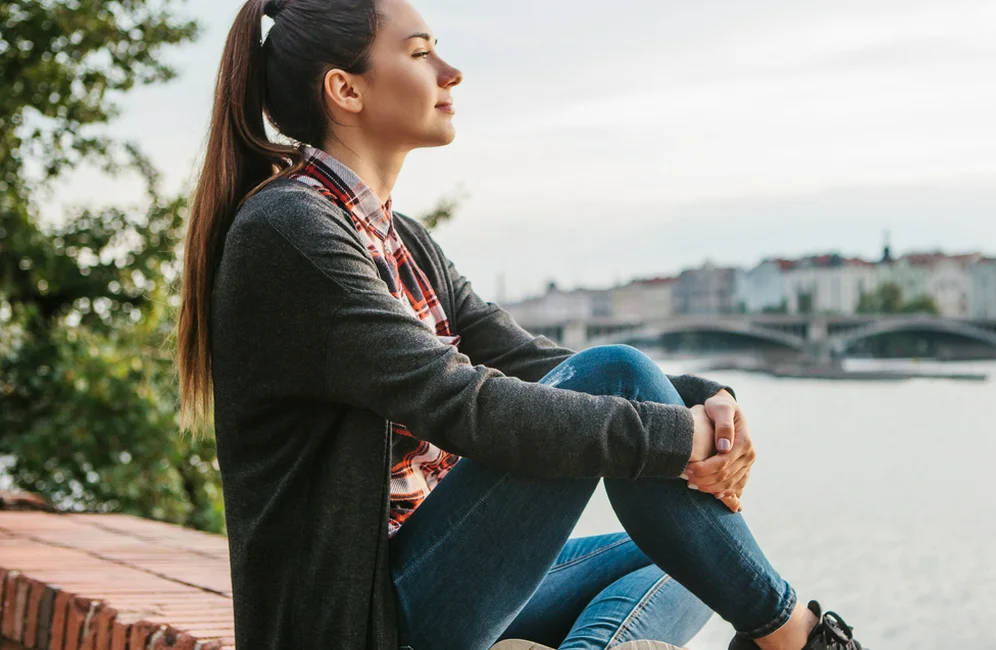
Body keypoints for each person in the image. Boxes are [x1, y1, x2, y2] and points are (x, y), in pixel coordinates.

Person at [176, 1, 870, 649]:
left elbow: (537, 367)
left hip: (443, 572)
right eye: (420, 54)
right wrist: (676, 435)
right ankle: (797, 638)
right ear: (346, 90)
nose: (451, 72)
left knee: (697, 554)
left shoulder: (400, 238)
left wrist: (709, 404)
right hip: (359, 618)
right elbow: (463, 401)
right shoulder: (290, 231)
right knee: (622, 382)